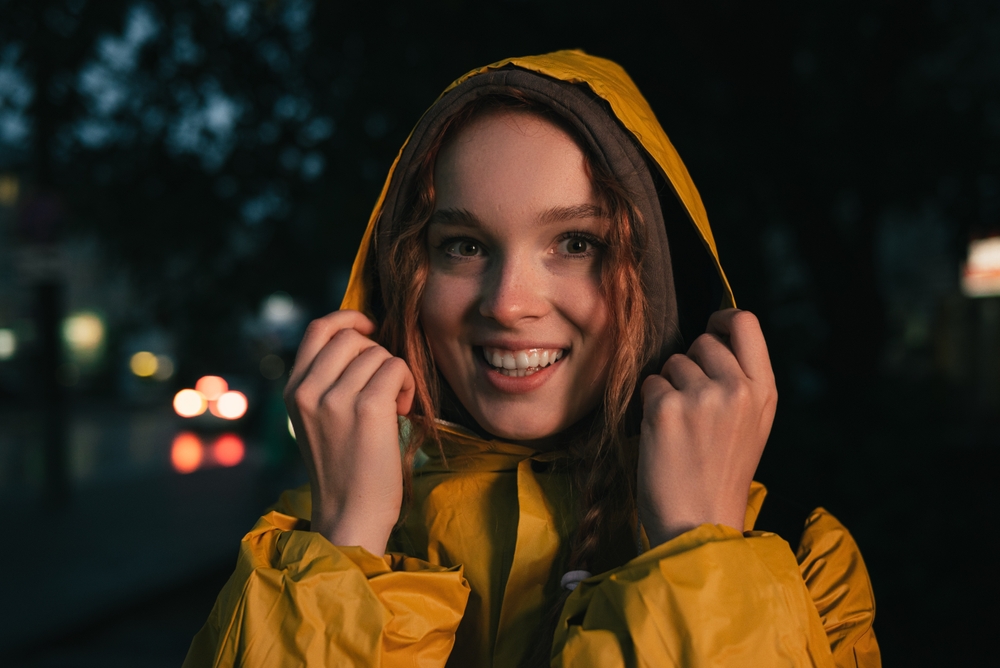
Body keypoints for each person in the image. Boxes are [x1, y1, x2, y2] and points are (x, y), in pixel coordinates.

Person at [184, 50, 880, 667]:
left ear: (659, 272)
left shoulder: (803, 557)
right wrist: (343, 555)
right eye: (463, 245)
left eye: (577, 243)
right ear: (406, 275)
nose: (509, 303)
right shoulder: (295, 554)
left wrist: (701, 556)